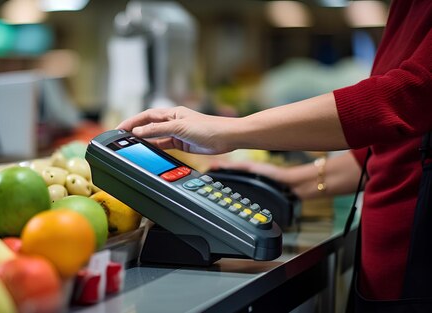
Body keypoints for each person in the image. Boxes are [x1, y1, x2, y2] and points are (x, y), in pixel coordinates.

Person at [117, 0, 432, 308]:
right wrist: (295, 181)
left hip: (417, 263)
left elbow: (409, 96)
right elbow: (397, 138)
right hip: (386, 259)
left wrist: (231, 130)